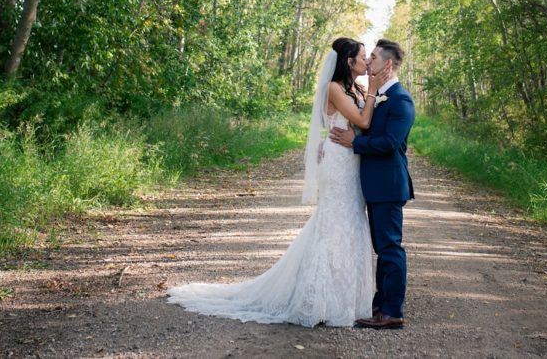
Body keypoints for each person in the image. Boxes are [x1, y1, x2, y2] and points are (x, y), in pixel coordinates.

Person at [165, 37, 389, 327]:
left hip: (351, 161)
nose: (365, 61)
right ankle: (318, 299)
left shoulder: (356, 88)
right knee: (333, 222)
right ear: (348, 62)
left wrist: (369, 92)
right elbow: (362, 122)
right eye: (361, 56)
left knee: (351, 222)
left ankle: (347, 297)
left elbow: (359, 123)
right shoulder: (334, 88)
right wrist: (371, 92)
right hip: (337, 164)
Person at [329, 38, 415, 330]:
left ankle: (392, 311)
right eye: (367, 58)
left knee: (390, 248)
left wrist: (357, 142)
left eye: (374, 58)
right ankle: (380, 307)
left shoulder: (401, 100)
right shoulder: (377, 95)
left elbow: (390, 143)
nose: (368, 63)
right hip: (376, 186)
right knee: (383, 247)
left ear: (387, 65)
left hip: (388, 186)